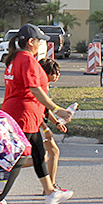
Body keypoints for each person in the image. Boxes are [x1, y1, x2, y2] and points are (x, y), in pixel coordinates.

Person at [1, 24, 75, 204]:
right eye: (40, 41)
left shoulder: (16, 58)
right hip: (23, 116)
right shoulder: (26, 60)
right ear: (30, 42)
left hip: (27, 116)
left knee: (39, 153)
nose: (42, 45)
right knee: (15, 158)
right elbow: (35, 90)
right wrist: (57, 109)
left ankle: (50, 192)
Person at [37, 56, 67, 189]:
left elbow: (45, 110)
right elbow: (37, 112)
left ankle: (50, 186)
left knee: (50, 153)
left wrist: (56, 123)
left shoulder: (44, 88)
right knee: (50, 153)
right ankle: (50, 186)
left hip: (40, 124)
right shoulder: (40, 90)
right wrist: (45, 129)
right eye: (54, 73)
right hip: (37, 125)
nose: (57, 75)